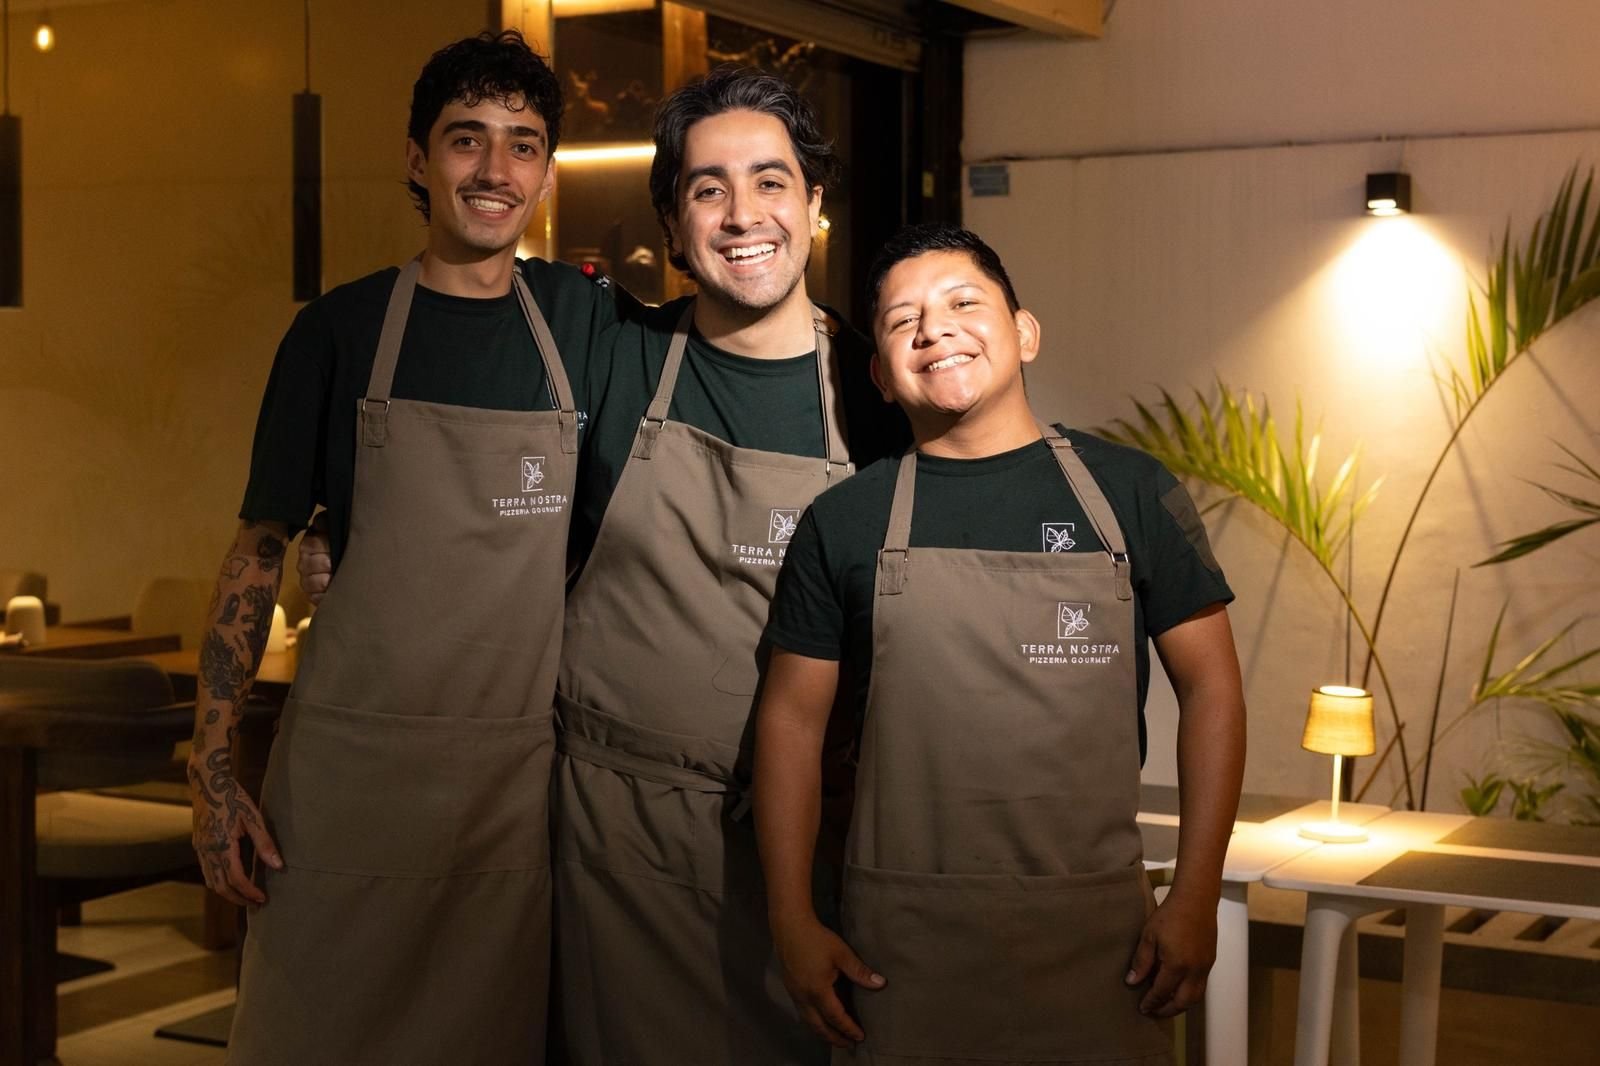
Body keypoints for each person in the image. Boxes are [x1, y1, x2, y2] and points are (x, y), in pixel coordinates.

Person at [297, 65, 908, 1064]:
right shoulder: (609, 347)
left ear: (814, 205)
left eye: (770, 181)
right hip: (607, 834)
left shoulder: (880, 392)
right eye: (707, 189)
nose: (741, 212)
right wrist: (342, 537)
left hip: (809, 836)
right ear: (671, 225)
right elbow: (470, 458)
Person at [187, 31, 617, 1065]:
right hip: (346, 785)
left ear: (547, 174)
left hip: (504, 792)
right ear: (418, 161)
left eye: (522, 144)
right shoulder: (337, 331)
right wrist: (208, 770)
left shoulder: (583, 325)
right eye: (466, 139)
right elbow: (259, 552)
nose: (495, 168)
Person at [753, 223, 1246, 1064]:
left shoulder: (1129, 493)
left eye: (962, 302)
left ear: (1023, 333)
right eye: (902, 320)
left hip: (1099, 941)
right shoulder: (846, 521)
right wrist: (792, 918)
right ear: (879, 373)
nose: (933, 329)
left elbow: (1213, 690)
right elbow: (791, 724)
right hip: (899, 949)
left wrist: (1196, 895)